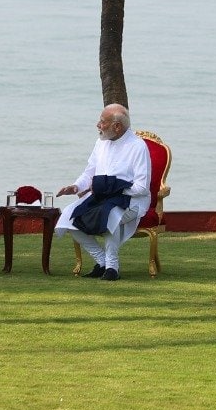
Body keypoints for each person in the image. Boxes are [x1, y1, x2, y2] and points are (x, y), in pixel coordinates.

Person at [54, 104, 152, 281]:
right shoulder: (101, 142)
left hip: (132, 200)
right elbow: (90, 171)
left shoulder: (138, 146)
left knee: (110, 215)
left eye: (102, 122)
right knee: (68, 217)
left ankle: (112, 267)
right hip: (101, 197)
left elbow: (142, 187)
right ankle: (101, 261)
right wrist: (76, 186)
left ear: (117, 126)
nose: (98, 125)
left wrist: (112, 187)